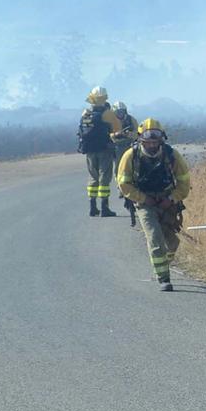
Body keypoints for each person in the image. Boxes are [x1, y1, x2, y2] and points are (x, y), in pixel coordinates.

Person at [116, 118, 189, 291]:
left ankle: (163, 262)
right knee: (155, 238)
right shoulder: (130, 156)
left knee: (172, 243)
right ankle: (163, 277)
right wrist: (143, 199)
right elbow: (124, 184)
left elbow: (184, 185)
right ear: (141, 139)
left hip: (167, 202)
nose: (151, 144)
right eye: (148, 140)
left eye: (155, 139)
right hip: (144, 203)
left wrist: (170, 199)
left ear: (161, 139)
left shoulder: (172, 156)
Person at [76, 87, 127, 217]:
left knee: (93, 177)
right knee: (104, 177)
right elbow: (117, 131)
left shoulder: (85, 113)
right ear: (105, 98)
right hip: (104, 149)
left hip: (89, 151)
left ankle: (92, 207)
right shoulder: (108, 114)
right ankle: (105, 208)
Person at [109, 100, 139, 227]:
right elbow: (107, 135)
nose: (120, 114)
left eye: (122, 112)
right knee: (118, 170)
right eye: (118, 112)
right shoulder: (111, 122)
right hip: (117, 148)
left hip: (130, 145)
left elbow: (138, 134)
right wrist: (116, 134)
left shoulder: (131, 120)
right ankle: (121, 188)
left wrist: (128, 134)